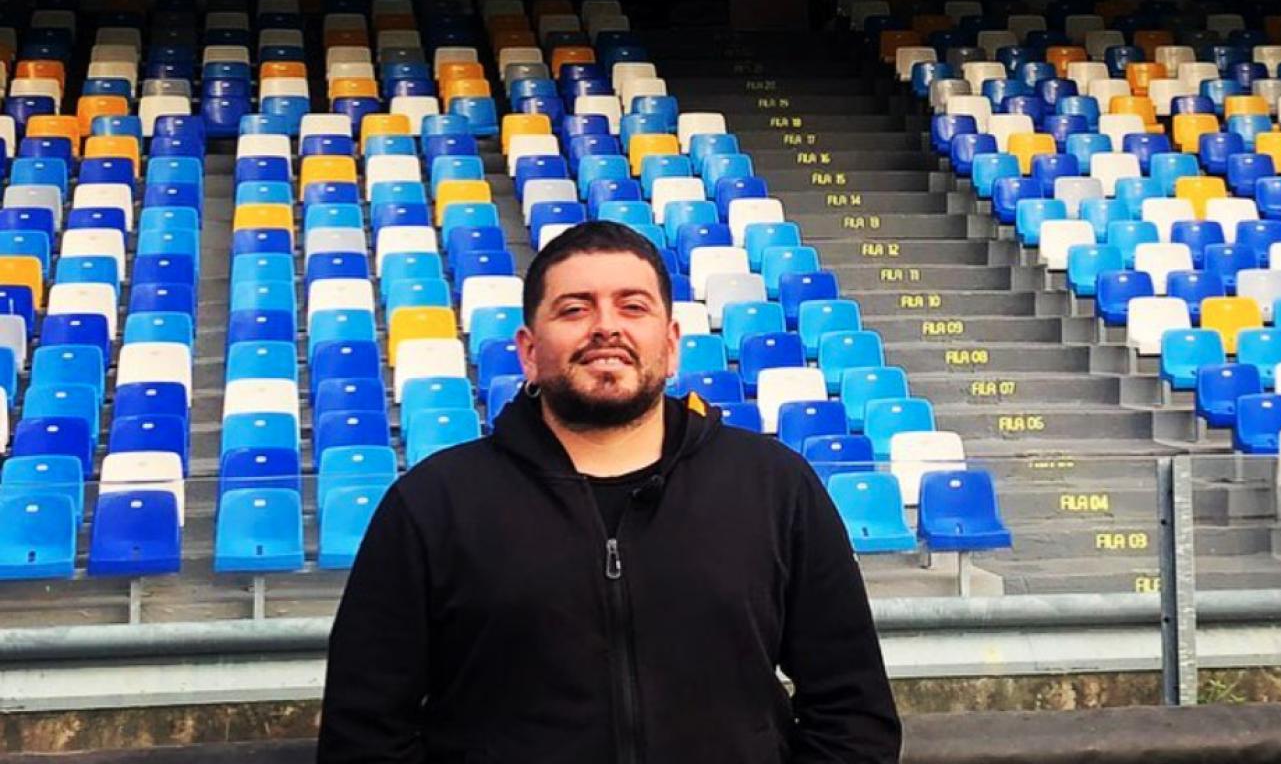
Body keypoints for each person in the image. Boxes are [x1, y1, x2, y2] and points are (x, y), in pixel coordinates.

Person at [318, 220, 902, 764]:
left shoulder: (775, 486)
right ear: (528, 351)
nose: (606, 327)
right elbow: (365, 731)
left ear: (671, 345)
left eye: (633, 306)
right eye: (575, 309)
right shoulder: (432, 504)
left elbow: (852, 712)